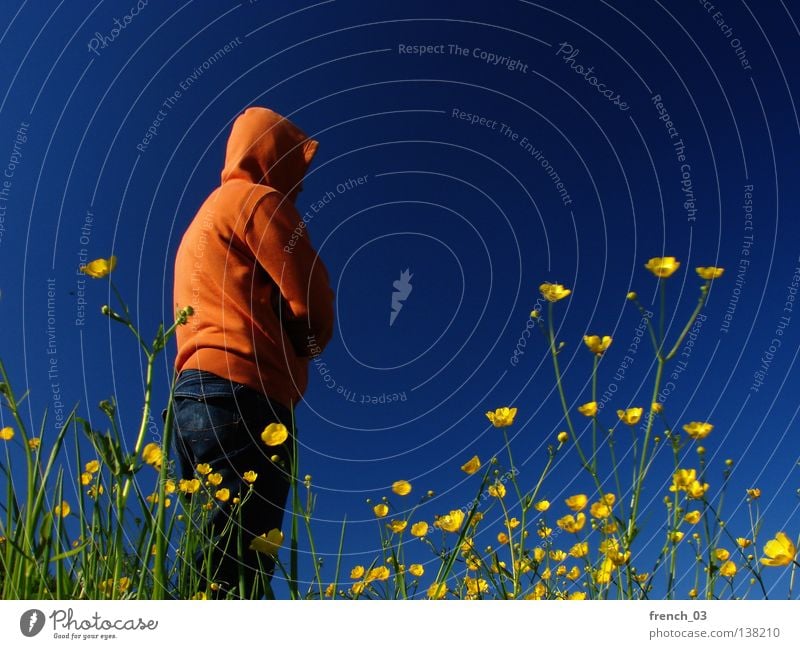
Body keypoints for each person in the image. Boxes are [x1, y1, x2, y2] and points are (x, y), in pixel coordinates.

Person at [169, 106, 335, 598]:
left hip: (191, 400)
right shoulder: (257, 199)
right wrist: (305, 348)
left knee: (213, 556)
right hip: (247, 397)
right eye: (294, 167)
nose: (299, 187)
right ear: (271, 156)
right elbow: (313, 302)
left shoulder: (203, 220)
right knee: (245, 568)